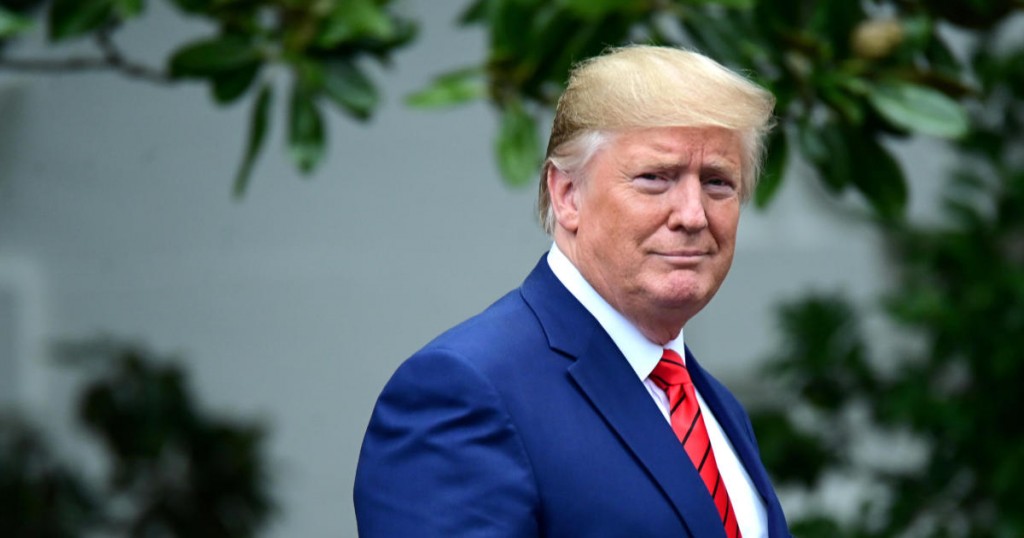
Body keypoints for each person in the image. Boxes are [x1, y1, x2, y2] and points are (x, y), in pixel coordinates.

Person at [354, 45, 791, 538]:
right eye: (655, 179)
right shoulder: (464, 390)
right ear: (567, 195)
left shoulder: (714, 408)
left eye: (717, 182)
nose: (692, 214)